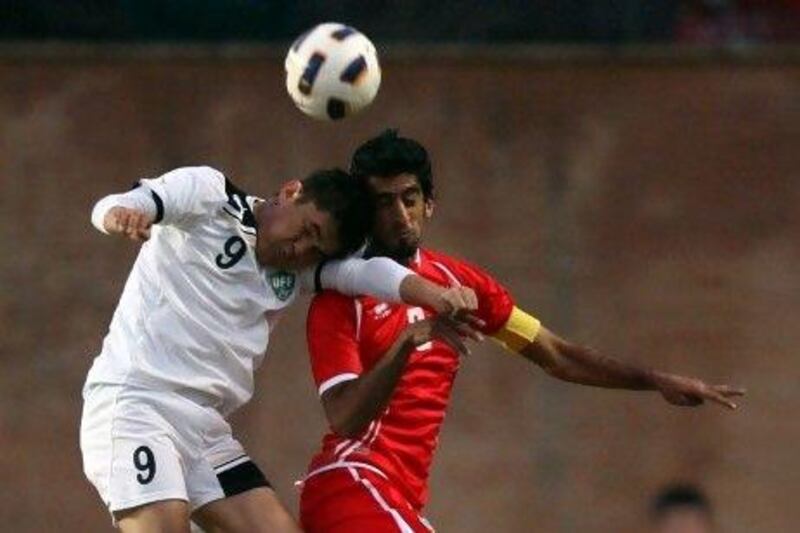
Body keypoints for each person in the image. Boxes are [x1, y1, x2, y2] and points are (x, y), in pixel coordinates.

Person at [298, 130, 746, 532]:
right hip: (349, 482)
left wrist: (654, 380)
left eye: (409, 198)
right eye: (382, 202)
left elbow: (554, 353)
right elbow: (345, 419)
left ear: (428, 203)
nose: (399, 215)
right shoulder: (339, 299)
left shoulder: (460, 283)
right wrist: (406, 342)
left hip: (401, 501)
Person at [79, 165, 479, 533]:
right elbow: (128, 201)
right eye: (306, 229)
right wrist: (119, 214)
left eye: (316, 248)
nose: (300, 249)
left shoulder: (298, 272)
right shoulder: (209, 195)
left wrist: (437, 295)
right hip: (136, 407)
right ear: (290, 192)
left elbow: (365, 272)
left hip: (203, 431)